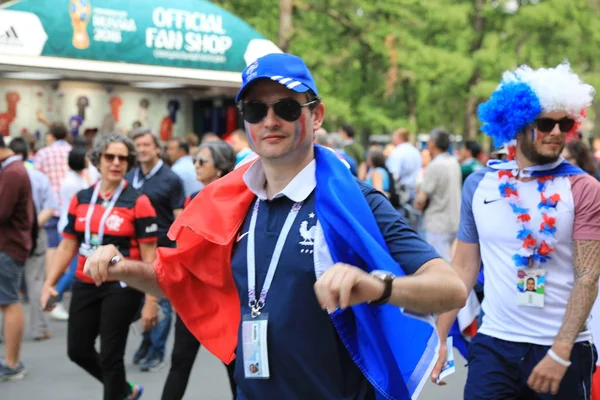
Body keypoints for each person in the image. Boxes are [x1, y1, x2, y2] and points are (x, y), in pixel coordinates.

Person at [84, 52, 467, 400]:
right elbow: (179, 283)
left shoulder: (356, 202)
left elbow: (450, 289)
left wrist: (377, 287)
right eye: (255, 110)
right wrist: (122, 267)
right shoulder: (230, 204)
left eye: (285, 106)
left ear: (315, 116)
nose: (269, 121)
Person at [431, 62, 600, 399]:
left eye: (564, 123)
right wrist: (437, 337)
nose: (556, 132)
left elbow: (588, 275)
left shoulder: (582, 187)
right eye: (545, 123)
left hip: (562, 349)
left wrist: (560, 350)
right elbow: (463, 268)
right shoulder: (480, 184)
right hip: (495, 344)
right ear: (518, 124)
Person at [41, 134, 157, 400]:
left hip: (122, 286)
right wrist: (50, 283)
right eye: (109, 157)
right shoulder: (81, 198)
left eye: (122, 158)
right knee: (78, 350)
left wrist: (151, 300)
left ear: (129, 163)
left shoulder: (138, 201)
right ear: (98, 160)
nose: (116, 163)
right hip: (85, 280)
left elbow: (150, 255)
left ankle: (117, 391)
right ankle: (126, 391)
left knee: (110, 356)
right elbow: (67, 246)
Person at [162, 140, 237, 400]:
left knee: (233, 364)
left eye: (202, 161)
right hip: (193, 290)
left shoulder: (234, 199)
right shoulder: (194, 197)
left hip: (224, 294)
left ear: (220, 167)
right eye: (196, 160)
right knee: (180, 361)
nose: (196, 165)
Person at [127, 128, 185, 373]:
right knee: (143, 299)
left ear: (156, 148)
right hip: (136, 248)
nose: (141, 149)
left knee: (160, 301)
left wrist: (180, 252)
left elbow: (179, 217)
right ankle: (146, 342)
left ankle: (157, 350)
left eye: (146, 144)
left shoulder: (170, 179)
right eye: (138, 145)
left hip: (162, 247)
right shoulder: (130, 176)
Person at [8, 138, 57, 341]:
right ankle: (39, 329)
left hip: (9, 237)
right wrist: (33, 224)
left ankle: (4, 332)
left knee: (6, 286)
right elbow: (50, 206)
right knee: (36, 282)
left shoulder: (7, 176)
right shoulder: (39, 177)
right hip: (35, 235)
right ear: (28, 154)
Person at [0, 135, 34, 381]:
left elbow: (2, 212)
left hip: (8, 246)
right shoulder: (13, 168)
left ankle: (12, 363)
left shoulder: (12, 171)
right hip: (11, 245)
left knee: (9, 302)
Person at [51, 146, 98, 321]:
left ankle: (55, 298)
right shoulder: (72, 182)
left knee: (75, 265)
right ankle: (55, 298)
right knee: (74, 267)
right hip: (74, 226)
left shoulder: (78, 177)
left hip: (76, 225)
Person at [414, 129, 462, 261]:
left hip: (437, 223)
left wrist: (418, 200)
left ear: (433, 143)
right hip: (454, 219)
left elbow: (421, 199)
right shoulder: (454, 163)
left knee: (440, 263)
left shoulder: (435, 165)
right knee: (452, 260)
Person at [34, 122, 72, 270]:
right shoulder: (72, 152)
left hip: (49, 207)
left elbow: (36, 180)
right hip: (69, 206)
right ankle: (63, 279)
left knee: (51, 246)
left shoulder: (43, 153)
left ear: (50, 136)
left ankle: (51, 281)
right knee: (67, 245)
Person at [385, 128, 422, 201]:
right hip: (414, 191)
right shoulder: (415, 151)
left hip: (401, 193)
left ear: (398, 137)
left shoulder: (397, 152)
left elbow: (394, 175)